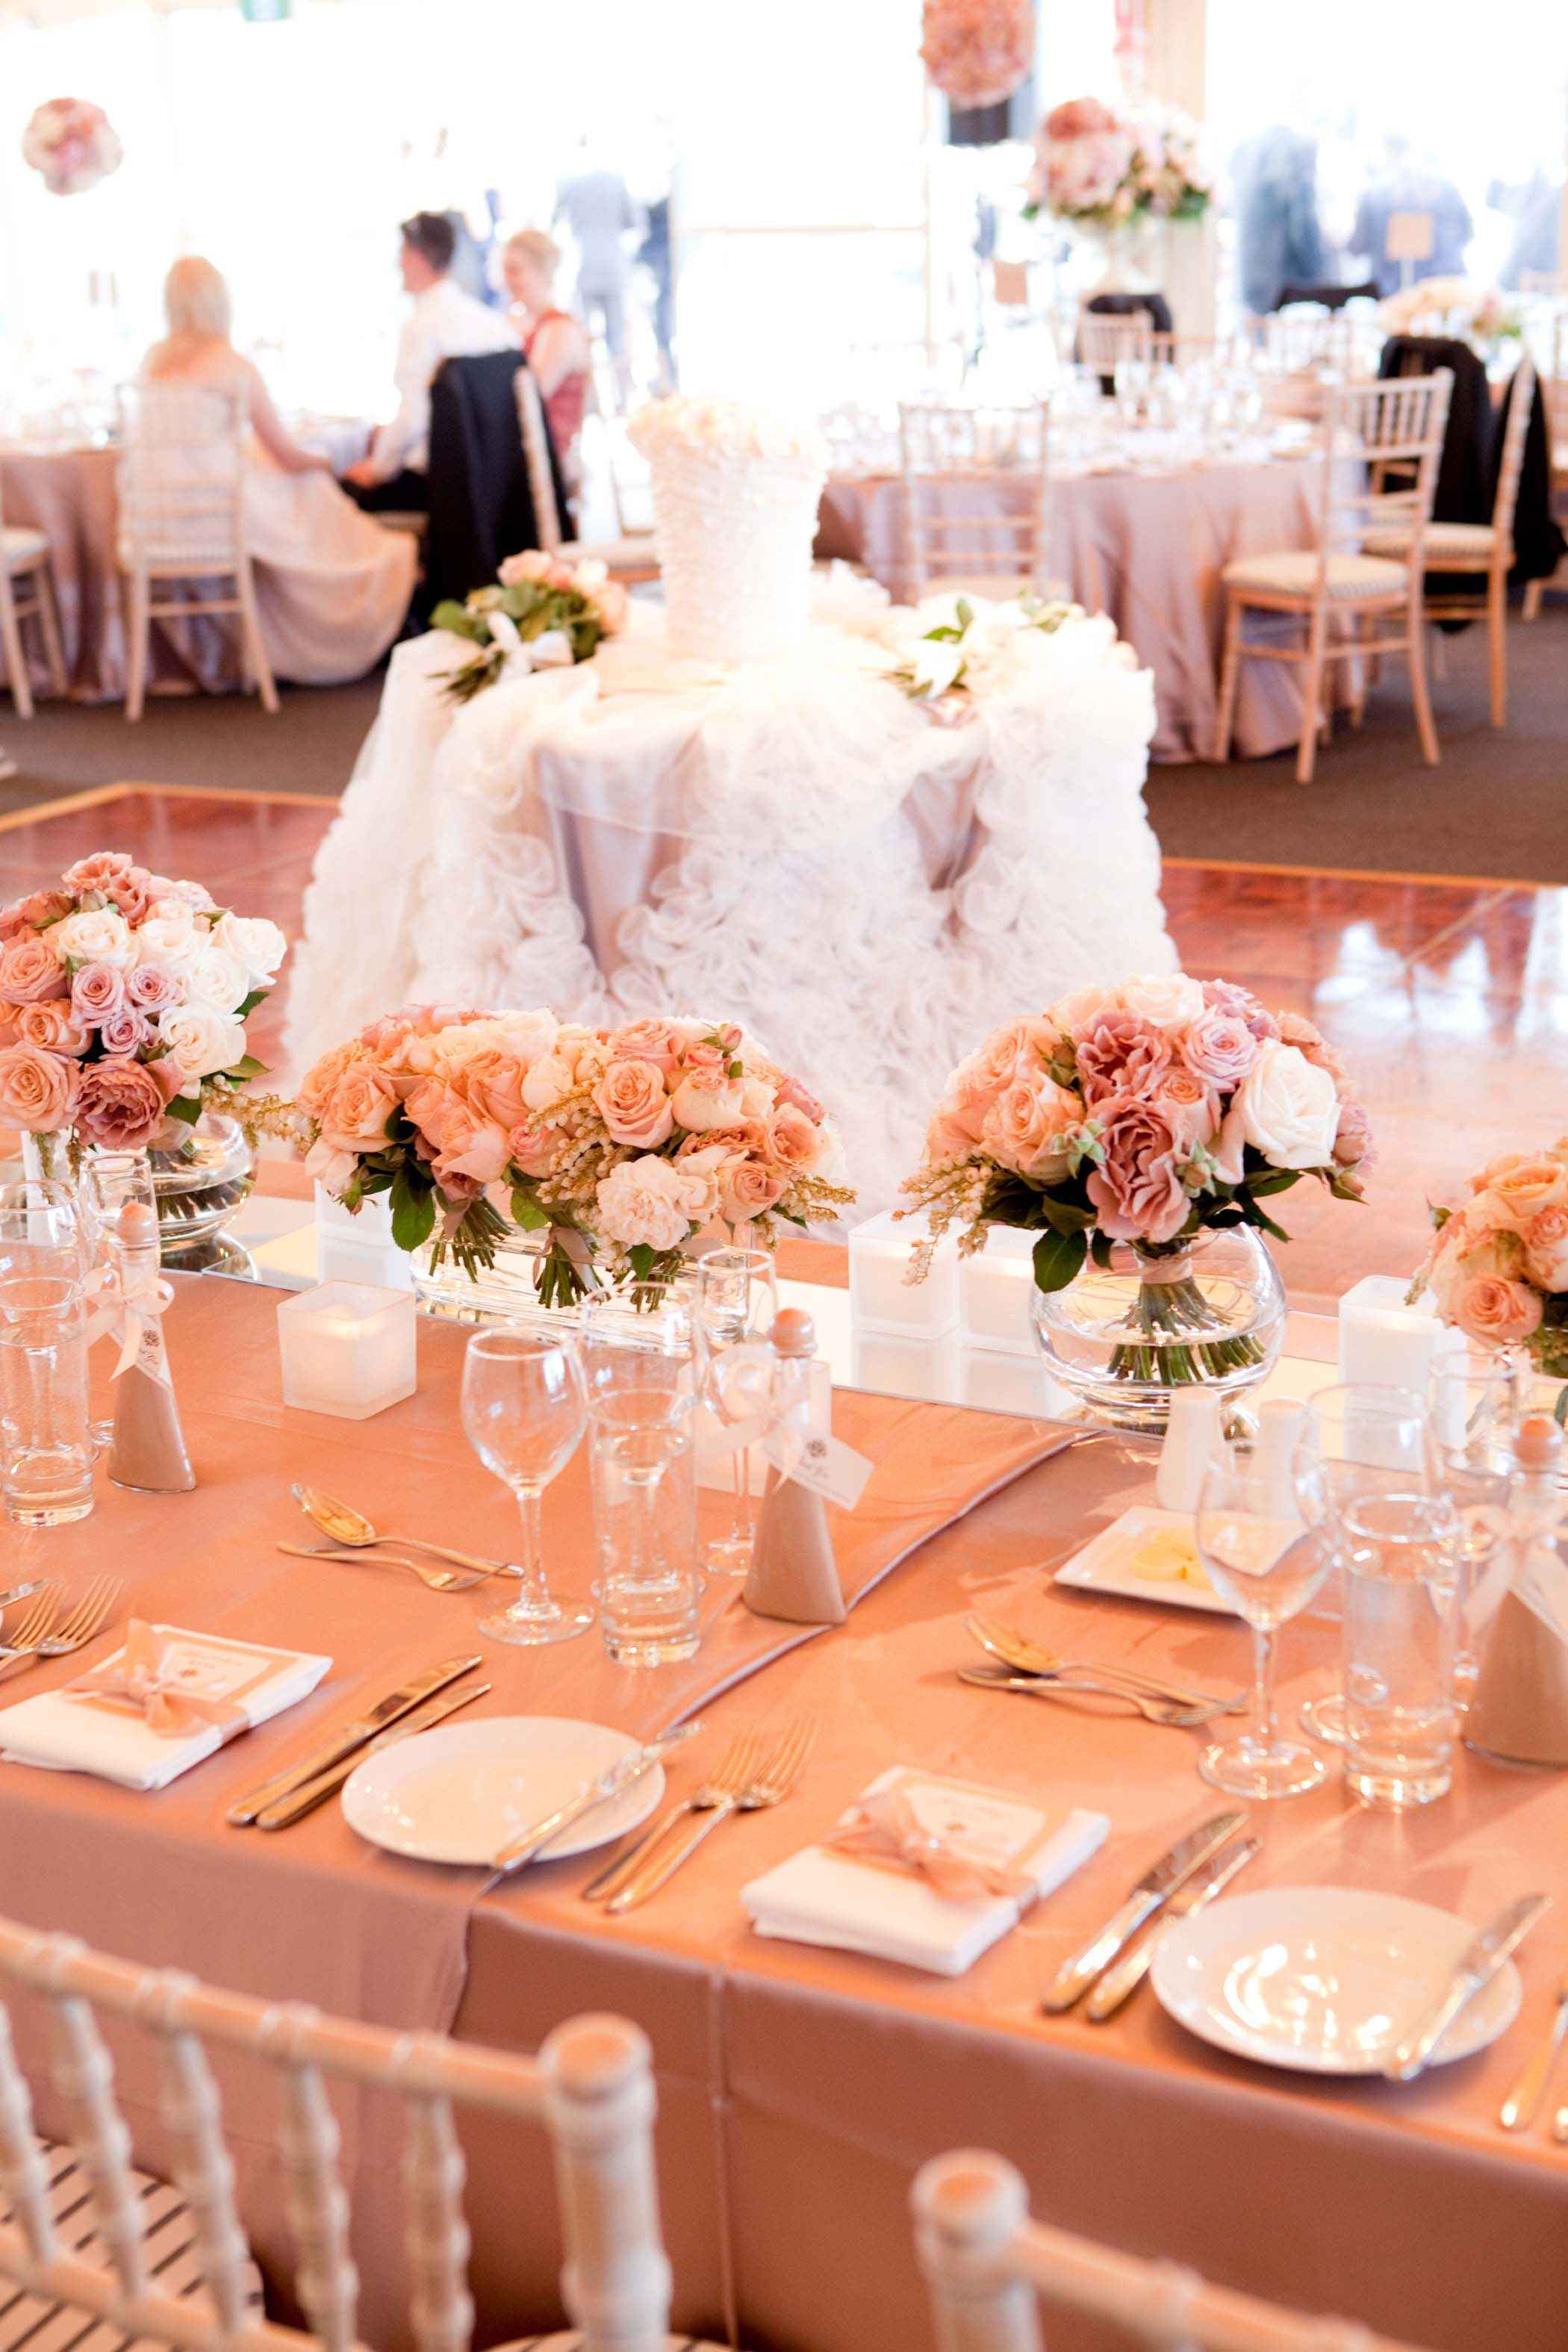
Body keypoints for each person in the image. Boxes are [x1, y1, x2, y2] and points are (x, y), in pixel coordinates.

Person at [138, 257, 416, 685]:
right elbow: (288, 454)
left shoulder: (152, 363)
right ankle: (363, 600)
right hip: (219, 517)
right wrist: (331, 463)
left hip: (155, 521)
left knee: (292, 489)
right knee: (312, 489)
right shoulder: (231, 364)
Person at [342, 211, 513, 511]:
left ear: (417, 256)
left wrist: (377, 467)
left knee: (341, 489)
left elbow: (414, 418)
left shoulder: (422, 327)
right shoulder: (494, 325)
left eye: (402, 253)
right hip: (493, 486)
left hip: (437, 485)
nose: (398, 263)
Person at [501, 228, 591, 484]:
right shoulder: (523, 325)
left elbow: (527, 401)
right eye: (505, 270)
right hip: (527, 449)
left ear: (542, 271)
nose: (508, 280)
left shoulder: (561, 331)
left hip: (547, 459)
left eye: (515, 270)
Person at [553, 146, 643, 371]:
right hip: (612, 265)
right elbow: (635, 222)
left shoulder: (570, 183)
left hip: (583, 266)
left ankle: (592, 390)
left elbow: (554, 222)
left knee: (585, 336)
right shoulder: (617, 182)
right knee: (617, 339)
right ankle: (620, 391)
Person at [1351, 137, 1473, 298]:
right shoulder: (1447, 186)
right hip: (1446, 287)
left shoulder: (1373, 192)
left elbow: (1357, 246)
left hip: (1391, 293)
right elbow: (1467, 233)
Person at [1231, 126, 1325, 316]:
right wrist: (1317, 272)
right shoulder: (1295, 162)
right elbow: (1303, 230)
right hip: (1285, 287)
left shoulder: (1249, 159)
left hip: (1250, 279)